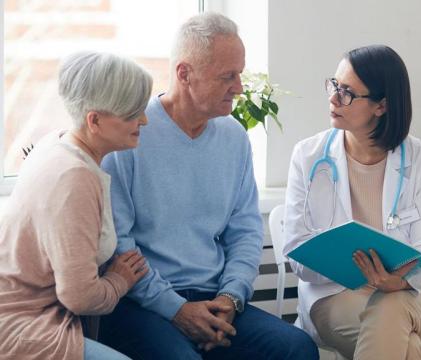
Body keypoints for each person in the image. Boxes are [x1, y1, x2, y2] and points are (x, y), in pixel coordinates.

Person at [98, 12, 319, 360]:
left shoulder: (234, 138)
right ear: (185, 74)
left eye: (240, 74)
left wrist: (230, 298)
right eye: (227, 76)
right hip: (142, 303)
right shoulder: (130, 134)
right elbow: (119, 244)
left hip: (216, 296)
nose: (240, 87)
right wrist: (175, 309)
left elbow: (245, 231)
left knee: (297, 348)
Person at [283, 44, 421, 360]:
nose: (333, 98)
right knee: (405, 345)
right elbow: (298, 252)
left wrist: (398, 282)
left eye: (347, 92)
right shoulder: (307, 157)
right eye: (334, 85)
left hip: (418, 294)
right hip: (337, 296)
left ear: (381, 106)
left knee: (390, 307)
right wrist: (359, 271)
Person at [0, 51, 153, 360]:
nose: (144, 120)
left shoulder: (55, 142)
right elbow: (80, 297)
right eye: (131, 113)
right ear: (94, 120)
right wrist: (119, 281)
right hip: (21, 323)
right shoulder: (75, 177)